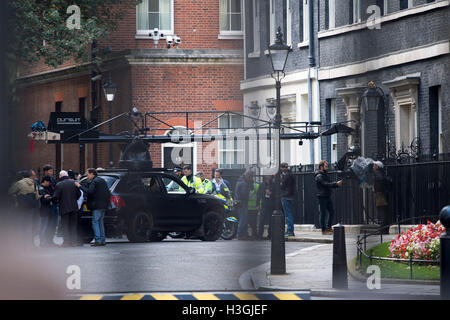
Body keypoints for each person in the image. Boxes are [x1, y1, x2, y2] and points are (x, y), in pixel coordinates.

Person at [75, 168, 110, 247]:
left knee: (95, 222)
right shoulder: (102, 180)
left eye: (88, 174)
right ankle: (102, 240)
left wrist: (79, 186)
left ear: (92, 174)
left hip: (96, 205)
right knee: (100, 222)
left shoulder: (94, 181)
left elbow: (89, 191)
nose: (87, 176)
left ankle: (98, 240)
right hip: (103, 205)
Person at [8, 170, 40, 248]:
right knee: (29, 225)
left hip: (21, 207)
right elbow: (37, 196)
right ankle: (29, 244)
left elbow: (10, 191)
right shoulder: (34, 183)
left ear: (23, 176)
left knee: (20, 225)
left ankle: (20, 244)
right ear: (30, 176)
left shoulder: (19, 183)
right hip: (31, 208)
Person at [53, 170, 81, 247]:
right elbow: (79, 194)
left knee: (65, 226)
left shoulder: (59, 184)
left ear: (60, 176)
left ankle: (66, 242)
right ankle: (73, 242)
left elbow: (56, 197)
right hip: (74, 207)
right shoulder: (74, 183)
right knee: (73, 226)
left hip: (64, 208)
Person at [315, 160, 343, 235]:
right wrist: (336, 184)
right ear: (321, 167)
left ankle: (328, 227)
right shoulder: (319, 176)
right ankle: (324, 230)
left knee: (331, 212)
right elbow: (326, 184)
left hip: (327, 196)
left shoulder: (324, 174)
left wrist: (336, 184)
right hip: (322, 197)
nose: (327, 168)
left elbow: (329, 183)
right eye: (326, 166)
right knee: (323, 213)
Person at [234, 169, 254, 240]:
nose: (252, 178)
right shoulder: (244, 183)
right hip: (242, 203)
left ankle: (243, 234)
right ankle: (240, 234)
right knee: (243, 220)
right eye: (251, 177)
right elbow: (244, 194)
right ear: (247, 175)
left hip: (239, 203)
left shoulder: (241, 180)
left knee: (243, 219)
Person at [38, 176, 56, 246]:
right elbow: (44, 199)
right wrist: (49, 197)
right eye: (48, 182)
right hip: (44, 210)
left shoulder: (49, 187)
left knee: (49, 226)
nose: (49, 183)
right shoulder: (40, 188)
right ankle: (42, 242)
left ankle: (48, 241)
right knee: (43, 226)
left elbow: (52, 196)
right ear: (45, 181)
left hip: (50, 209)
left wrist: (49, 197)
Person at [373, 161, 390, 232]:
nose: (373, 166)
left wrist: (376, 188)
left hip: (380, 193)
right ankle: (384, 228)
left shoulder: (377, 172)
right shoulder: (381, 172)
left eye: (374, 165)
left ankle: (382, 228)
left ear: (377, 166)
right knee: (383, 210)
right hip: (382, 193)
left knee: (381, 210)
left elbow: (381, 179)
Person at [257, 175, 275, 240]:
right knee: (261, 220)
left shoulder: (273, 184)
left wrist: (271, 193)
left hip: (271, 204)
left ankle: (270, 235)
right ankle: (260, 235)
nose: (268, 176)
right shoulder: (262, 185)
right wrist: (257, 204)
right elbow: (258, 194)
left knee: (271, 220)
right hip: (264, 204)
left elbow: (276, 194)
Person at [280, 162, 296, 238]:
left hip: (286, 196)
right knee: (288, 214)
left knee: (288, 215)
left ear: (283, 168)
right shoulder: (291, 174)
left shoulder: (286, 176)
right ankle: (290, 231)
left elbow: (283, 185)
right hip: (290, 196)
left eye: (281, 168)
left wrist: (281, 179)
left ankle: (290, 231)